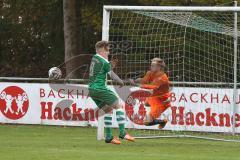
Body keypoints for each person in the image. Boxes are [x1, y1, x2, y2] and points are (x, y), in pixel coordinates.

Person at [88, 40, 135, 145]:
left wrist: (110, 65)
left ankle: (109, 136)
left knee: (108, 110)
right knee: (119, 106)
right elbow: (112, 74)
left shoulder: (94, 58)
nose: (108, 53)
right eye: (107, 50)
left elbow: (102, 69)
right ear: (101, 51)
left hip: (91, 90)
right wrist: (121, 81)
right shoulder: (104, 62)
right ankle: (122, 132)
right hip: (100, 88)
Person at [130, 58, 171, 129]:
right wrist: (136, 80)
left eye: (153, 65)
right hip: (154, 97)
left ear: (159, 67)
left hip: (161, 102)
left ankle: (163, 121)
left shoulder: (163, 77)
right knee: (146, 103)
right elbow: (144, 80)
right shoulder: (150, 73)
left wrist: (139, 85)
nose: (151, 67)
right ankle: (154, 109)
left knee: (146, 122)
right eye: (151, 65)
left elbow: (153, 86)